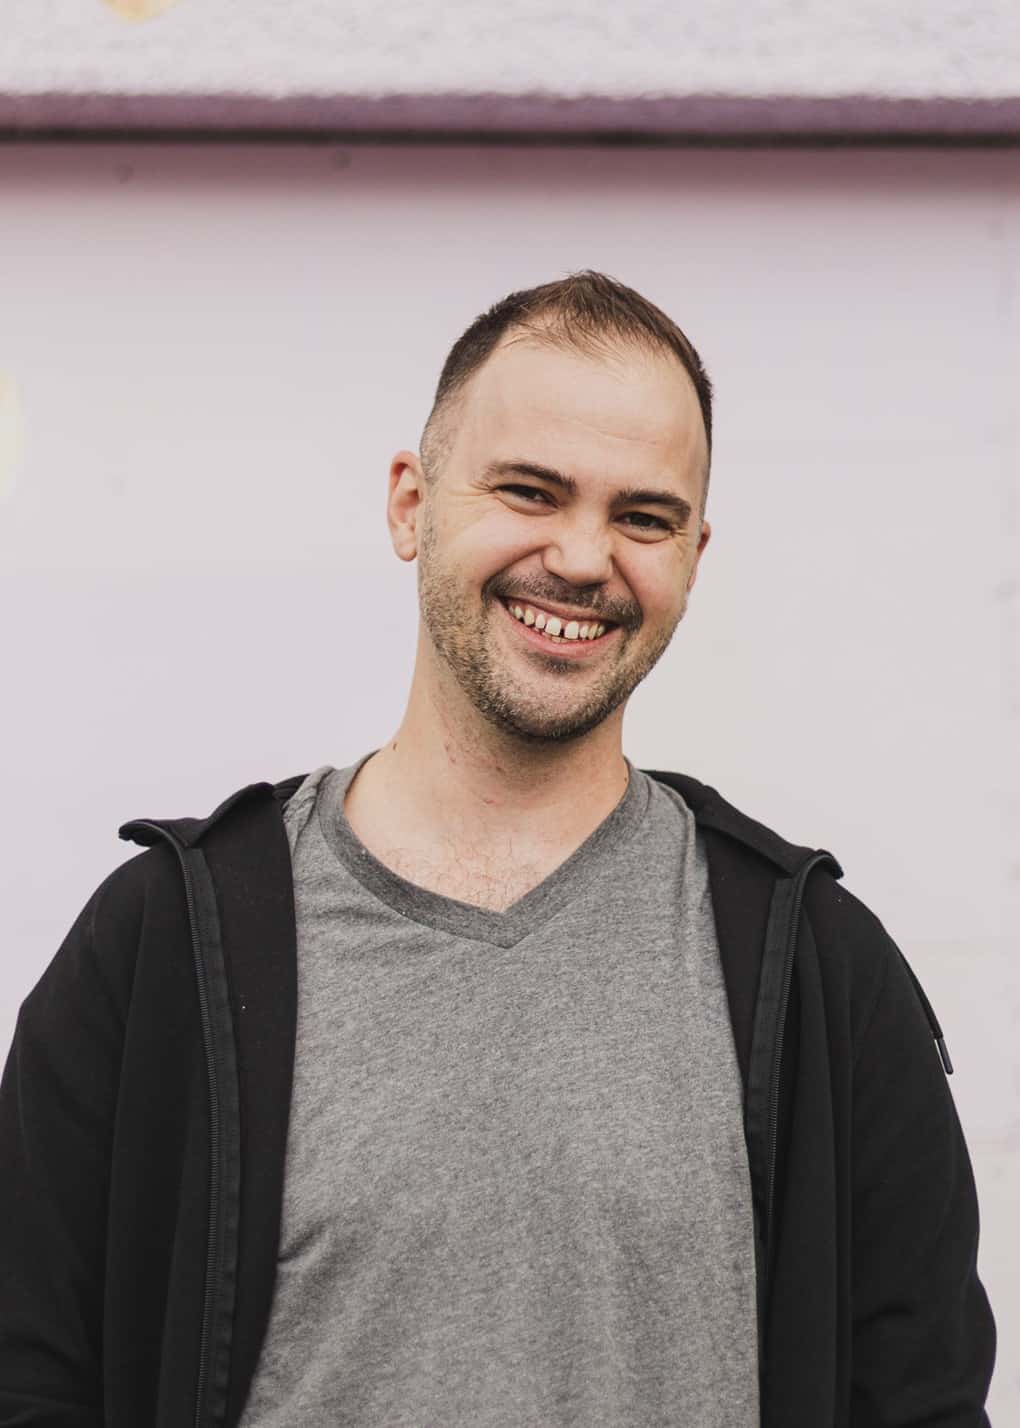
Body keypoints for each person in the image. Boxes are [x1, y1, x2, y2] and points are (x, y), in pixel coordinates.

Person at [0, 270, 996, 1428]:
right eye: (530, 491)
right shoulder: (165, 947)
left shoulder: (816, 969)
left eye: (643, 517)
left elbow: (924, 1402)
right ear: (410, 505)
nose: (582, 559)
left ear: (695, 556)